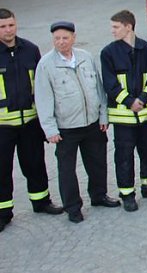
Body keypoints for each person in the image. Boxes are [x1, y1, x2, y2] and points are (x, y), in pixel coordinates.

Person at [35, 21, 118, 223]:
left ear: (73, 37)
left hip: (92, 123)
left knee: (97, 163)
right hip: (66, 128)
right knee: (67, 170)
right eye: (57, 39)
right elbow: (43, 98)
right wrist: (50, 129)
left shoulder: (85, 57)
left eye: (65, 38)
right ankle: (73, 207)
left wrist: (103, 115)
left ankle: (99, 196)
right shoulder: (46, 64)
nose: (61, 42)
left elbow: (98, 89)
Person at [0, 9, 63, 232]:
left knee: (35, 164)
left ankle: (41, 201)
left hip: (30, 121)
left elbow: (42, 84)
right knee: (2, 170)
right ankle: (3, 212)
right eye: (3, 26)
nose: (8, 30)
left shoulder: (30, 50)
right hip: (3, 125)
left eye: (11, 25)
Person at [101, 10, 147, 212]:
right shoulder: (108, 52)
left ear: (129, 26)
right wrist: (130, 101)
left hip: (146, 114)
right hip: (124, 117)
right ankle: (127, 194)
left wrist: (144, 98)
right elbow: (110, 84)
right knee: (124, 156)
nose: (112, 31)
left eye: (116, 27)